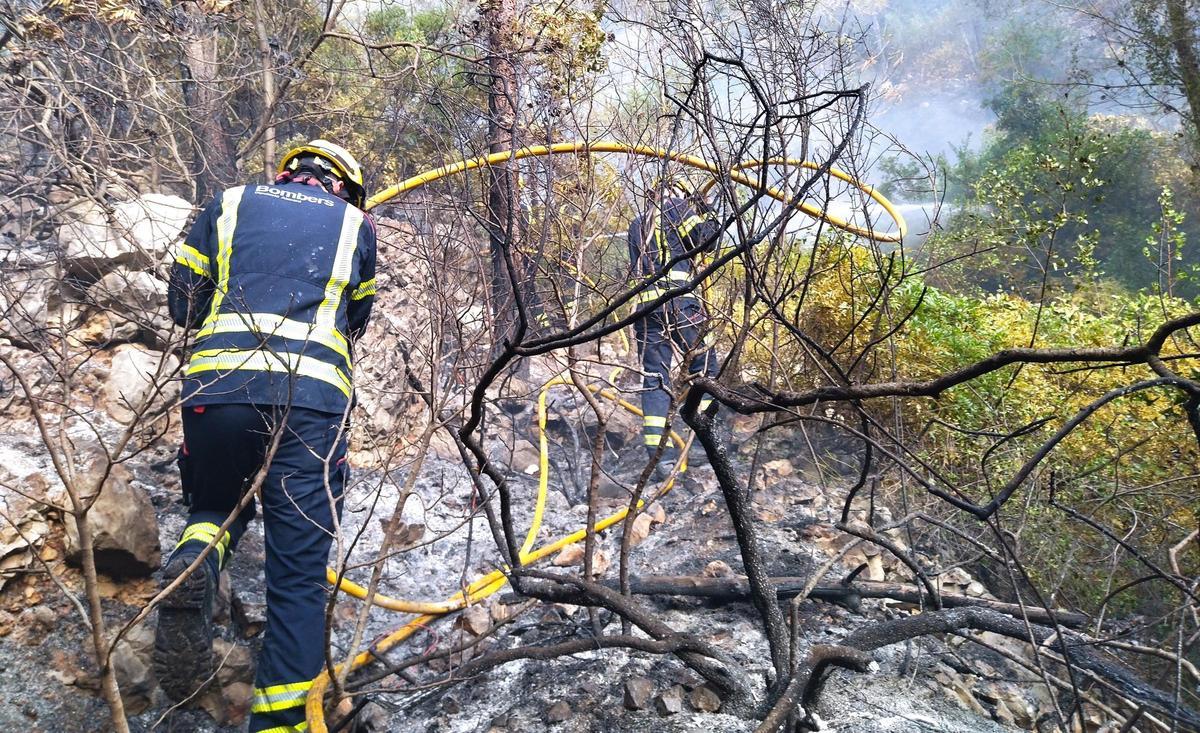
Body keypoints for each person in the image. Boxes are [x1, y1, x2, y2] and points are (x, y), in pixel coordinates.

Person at [156, 139, 376, 733]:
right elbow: (355, 321)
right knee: (298, 580)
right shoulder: (356, 225)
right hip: (309, 404)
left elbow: (183, 303)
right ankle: (280, 724)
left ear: (287, 172)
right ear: (343, 187)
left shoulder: (228, 201)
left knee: (215, 504)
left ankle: (194, 564)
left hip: (219, 389)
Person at [627, 177, 722, 479]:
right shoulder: (676, 208)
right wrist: (708, 209)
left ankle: (661, 458)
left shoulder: (637, 223)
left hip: (646, 312)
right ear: (675, 191)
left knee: (655, 378)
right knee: (705, 367)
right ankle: (705, 444)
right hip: (681, 305)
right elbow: (708, 240)